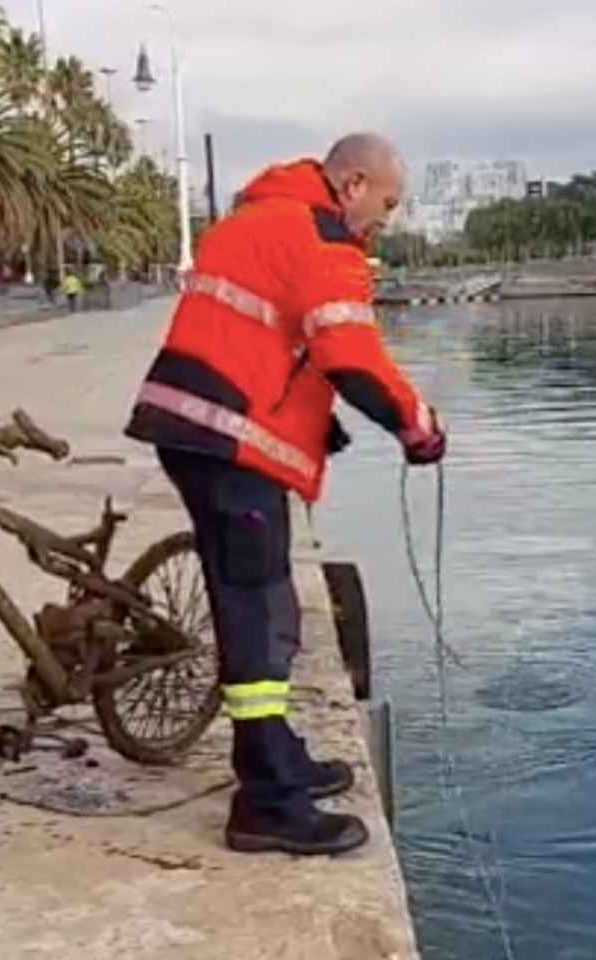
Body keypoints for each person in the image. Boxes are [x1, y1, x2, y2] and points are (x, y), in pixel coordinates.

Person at [124, 132, 447, 855]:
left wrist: (315, 423)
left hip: (193, 425)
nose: (386, 220)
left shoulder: (256, 218)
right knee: (257, 610)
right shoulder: (323, 239)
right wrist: (417, 426)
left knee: (256, 596)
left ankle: (281, 755)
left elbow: (262, 342)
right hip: (227, 440)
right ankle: (265, 800)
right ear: (353, 184)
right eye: (388, 203)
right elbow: (351, 357)